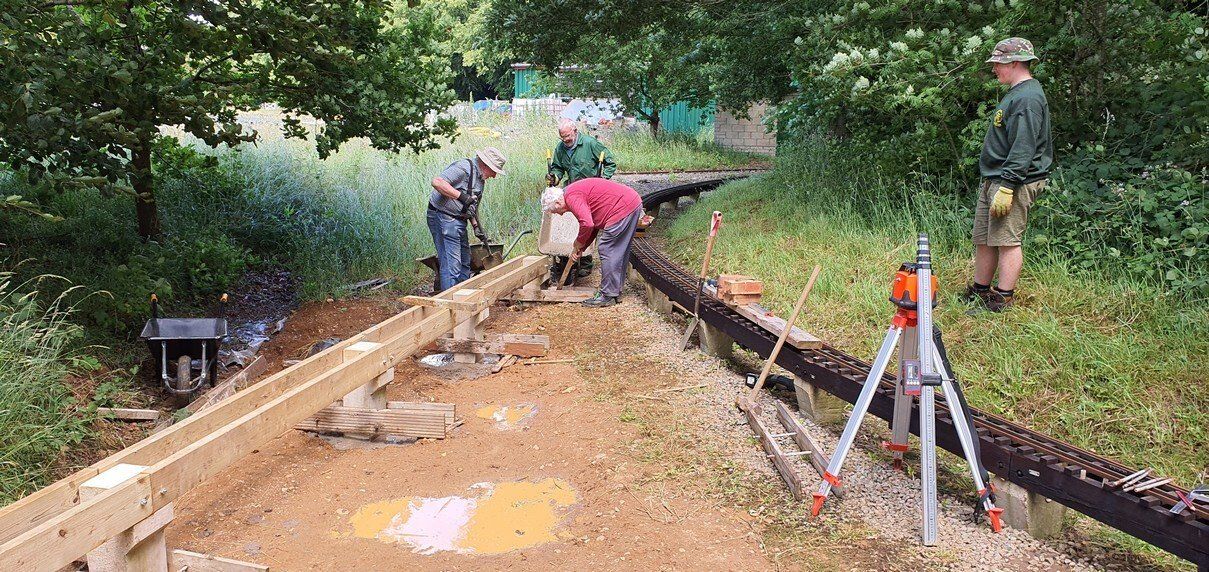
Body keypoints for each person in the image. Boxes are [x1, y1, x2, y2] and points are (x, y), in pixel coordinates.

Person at [965, 37, 1053, 312]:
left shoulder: (1028, 97)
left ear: (1014, 62)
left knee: (1007, 241)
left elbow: (1023, 146)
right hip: (996, 178)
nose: (994, 69)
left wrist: (1008, 186)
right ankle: (980, 290)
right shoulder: (1016, 92)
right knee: (984, 238)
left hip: (1014, 182)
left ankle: (1002, 298)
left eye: (998, 63)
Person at [541, 178, 642, 308]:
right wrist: (582, 247)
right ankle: (614, 291)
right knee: (617, 250)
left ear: (558, 202)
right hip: (631, 203)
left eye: (556, 211)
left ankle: (608, 295)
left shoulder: (572, 197)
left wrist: (578, 242)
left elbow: (587, 224)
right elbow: (594, 224)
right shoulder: (571, 194)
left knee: (607, 248)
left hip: (623, 207)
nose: (559, 215)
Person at [427, 147, 508, 291]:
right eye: (494, 171)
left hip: (459, 220)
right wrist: (461, 196)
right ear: (486, 165)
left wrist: (476, 226)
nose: (494, 176)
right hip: (442, 216)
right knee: (452, 265)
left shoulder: (480, 180)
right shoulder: (463, 168)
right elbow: (437, 182)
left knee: (465, 262)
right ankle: (449, 300)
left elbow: (471, 206)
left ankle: (463, 295)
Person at [548, 118, 617, 186]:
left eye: (567, 136)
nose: (565, 140)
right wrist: (554, 177)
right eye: (562, 137)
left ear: (575, 131)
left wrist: (603, 180)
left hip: (591, 188)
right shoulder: (560, 147)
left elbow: (610, 163)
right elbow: (558, 168)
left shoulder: (590, 143)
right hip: (572, 187)